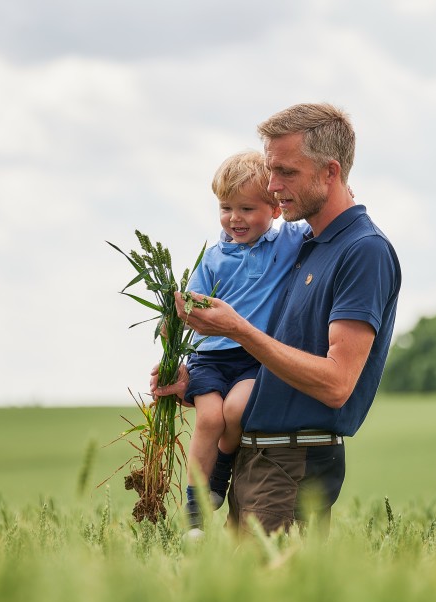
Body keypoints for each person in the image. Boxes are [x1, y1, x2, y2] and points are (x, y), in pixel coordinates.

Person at [154, 102, 402, 535]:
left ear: (330, 172)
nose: (272, 186)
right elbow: (270, 356)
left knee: (266, 595)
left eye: (286, 172)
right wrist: (195, 382)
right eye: (270, 171)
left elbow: (336, 383)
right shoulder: (304, 244)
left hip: (293, 462)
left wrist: (239, 331)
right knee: (240, 598)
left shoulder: (363, 250)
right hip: (256, 458)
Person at [180, 150, 310, 530]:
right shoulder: (213, 259)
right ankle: (195, 509)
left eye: (247, 208)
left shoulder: (285, 243)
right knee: (208, 418)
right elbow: (191, 307)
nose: (235, 218)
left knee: (236, 411)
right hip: (210, 358)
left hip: (252, 357)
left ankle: (221, 467)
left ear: (273, 209)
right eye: (226, 208)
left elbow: (319, 223)